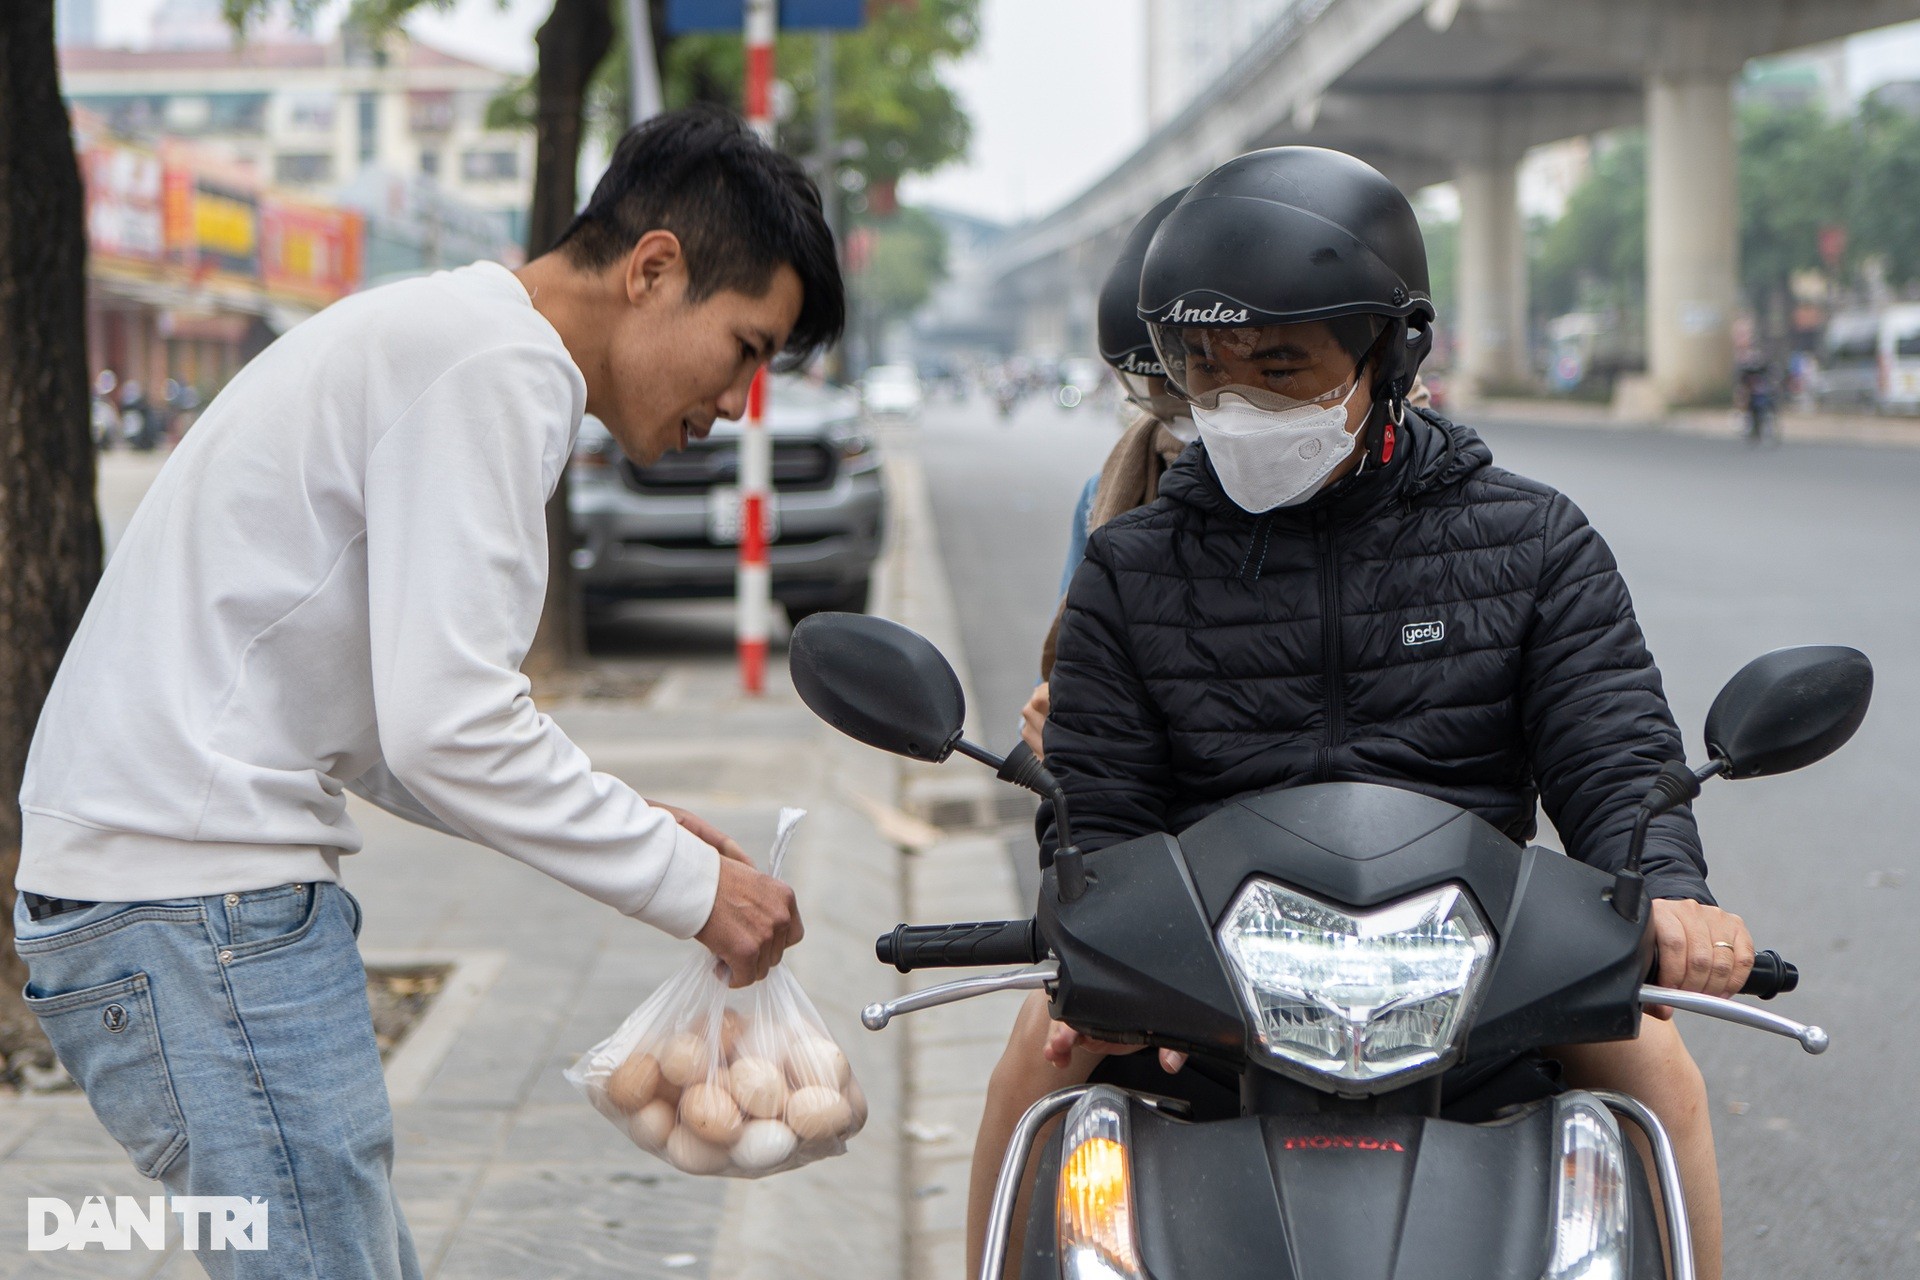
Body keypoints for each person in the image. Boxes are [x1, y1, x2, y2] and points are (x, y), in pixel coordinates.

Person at [14, 107, 836, 1280]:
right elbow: (451, 725)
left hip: (178, 896)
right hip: (198, 906)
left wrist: (647, 837)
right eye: (748, 346)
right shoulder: (499, 364)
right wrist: (694, 885)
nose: (742, 402)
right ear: (655, 267)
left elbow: (401, 728)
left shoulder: (463, 337)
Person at [970, 147, 1749, 1280]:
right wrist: (1100, 936)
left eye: (1280, 363)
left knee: (1662, 1072)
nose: (1237, 400)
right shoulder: (1131, 567)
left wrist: (1670, 885)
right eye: (1206, 367)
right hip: (1206, 966)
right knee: (1031, 1075)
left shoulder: (1533, 540)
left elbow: (1615, 747)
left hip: (1477, 961)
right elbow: (1098, 807)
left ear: (1389, 353)